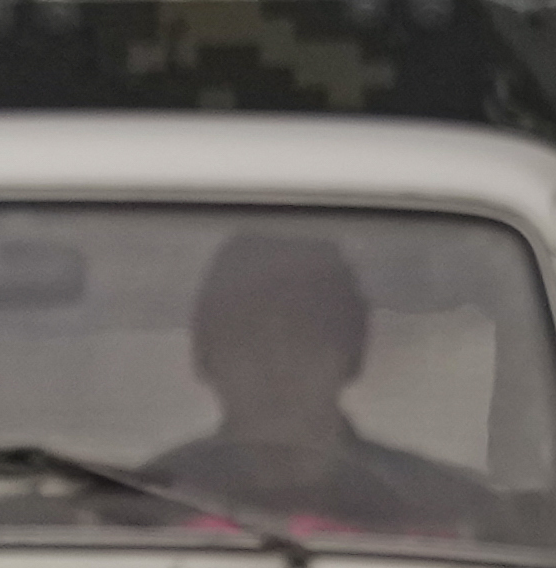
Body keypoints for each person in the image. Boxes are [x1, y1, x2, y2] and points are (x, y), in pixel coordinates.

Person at [141, 230, 500, 539]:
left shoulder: (443, 515)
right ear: (207, 355)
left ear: (350, 352)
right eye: (248, 337)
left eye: (302, 336)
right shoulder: (133, 511)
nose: (277, 365)